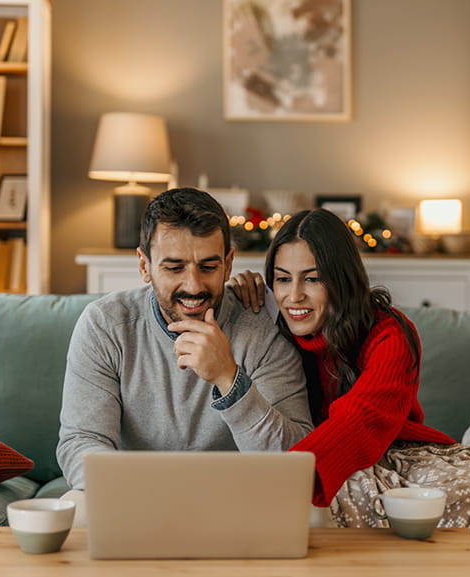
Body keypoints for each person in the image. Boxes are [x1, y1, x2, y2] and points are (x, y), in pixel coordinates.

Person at [230, 208, 470, 565]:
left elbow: (362, 418)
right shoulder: (270, 326)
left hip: (382, 451)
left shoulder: (390, 333)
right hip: (312, 459)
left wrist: (290, 479)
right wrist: (239, 299)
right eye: (282, 279)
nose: (294, 296)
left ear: (342, 279)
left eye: (313, 279)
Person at [57, 188, 314, 492]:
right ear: (144, 265)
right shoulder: (105, 325)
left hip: (235, 500)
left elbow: (296, 460)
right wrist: (140, 493)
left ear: (228, 263)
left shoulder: (263, 327)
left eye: (208, 267)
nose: (193, 286)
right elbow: (81, 442)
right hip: (133, 498)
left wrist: (229, 380)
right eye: (174, 267)